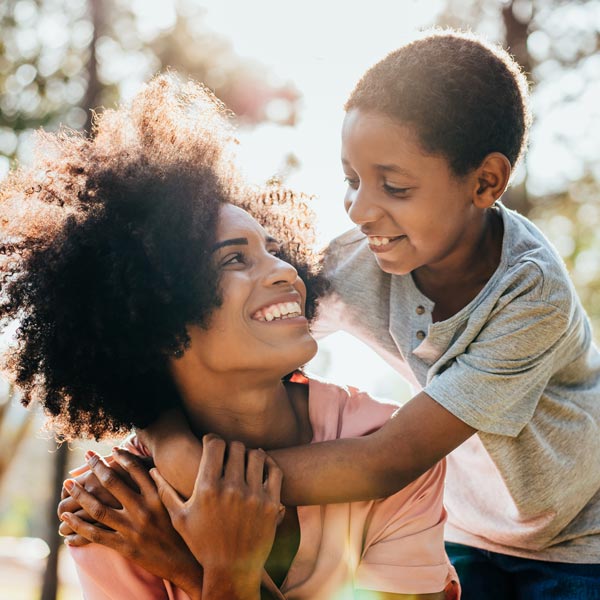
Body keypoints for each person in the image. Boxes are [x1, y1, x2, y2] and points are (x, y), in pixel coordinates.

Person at [121, 31, 600, 599]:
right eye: (352, 180)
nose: (360, 208)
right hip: (470, 530)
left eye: (393, 186)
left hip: (576, 543)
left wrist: (206, 478)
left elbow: (385, 461)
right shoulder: (356, 264)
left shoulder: (530, 294)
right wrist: (163, 433)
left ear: (485, 182)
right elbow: (230, 340)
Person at [0, 75, 458, 599]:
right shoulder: (116, 509)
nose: (287, 273)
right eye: (235, 258)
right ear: (155, 313)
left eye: (274, 250)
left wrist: (201, 570)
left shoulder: (381, 441)